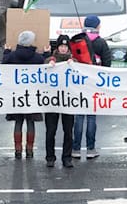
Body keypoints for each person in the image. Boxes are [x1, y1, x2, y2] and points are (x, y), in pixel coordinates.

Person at [2, 30, 45, 159]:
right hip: (32, 95)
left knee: (18, 122)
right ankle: (30, 149)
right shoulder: (37, 58)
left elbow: (3, 66)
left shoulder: (12, 57)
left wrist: (6, 52)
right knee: (30, 122)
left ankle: (18, 149)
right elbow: (45, 66)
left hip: (16, 95)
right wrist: (47, 53)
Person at [73, 15, 111, 159]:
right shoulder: (100, 42)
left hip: (80, 83)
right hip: (94, 83)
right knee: (91, 117)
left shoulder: (78, 40)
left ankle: (75, 148)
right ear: (96, 26)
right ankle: (90, 148)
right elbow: (107, 63)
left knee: (79, 117)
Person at [45, 35, 75, 168]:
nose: (63, 49)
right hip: (52, 101)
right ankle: (50, 157)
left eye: (65, 47)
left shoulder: (74, 62)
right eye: (61, 46)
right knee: (51, 131)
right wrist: (49, 62)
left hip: (68, 101)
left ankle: (67, 157)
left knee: (68, 131)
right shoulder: (50, 61)